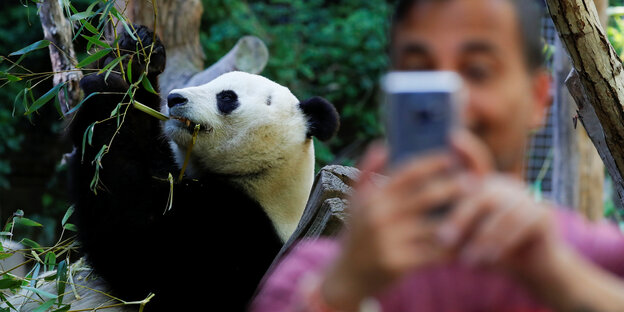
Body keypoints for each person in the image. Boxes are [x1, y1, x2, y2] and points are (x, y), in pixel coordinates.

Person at [250, 0, 624, 311]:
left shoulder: (602, 262)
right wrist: (344, 290)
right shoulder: (310, 280)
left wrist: (564, 278)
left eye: (478, 70)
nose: (451, 102)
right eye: (419, 72)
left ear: (539, 97)